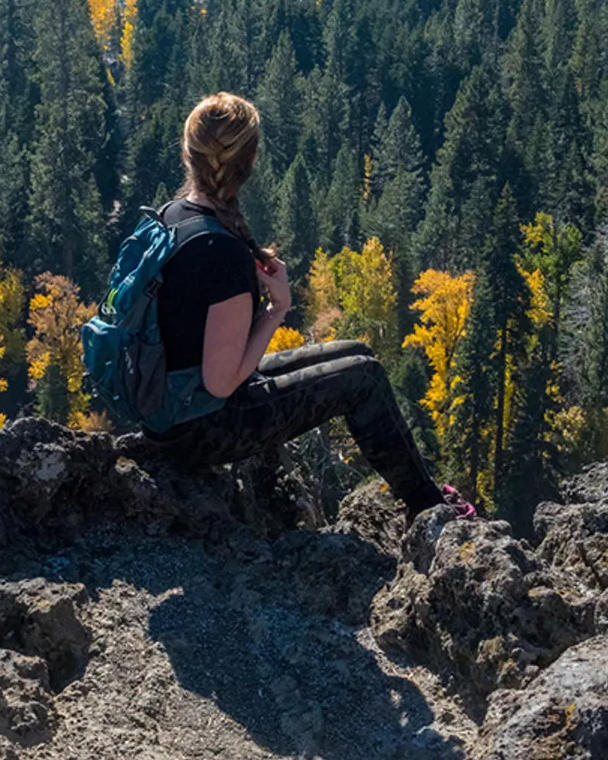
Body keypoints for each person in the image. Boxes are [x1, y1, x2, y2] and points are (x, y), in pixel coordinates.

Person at [144, 91, 474, 523]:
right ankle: (428, 509)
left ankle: (424, 496)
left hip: (173, 406)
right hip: (199, 428)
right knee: (363, 380)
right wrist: (276, 310)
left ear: (188, 154)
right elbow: (222, 383)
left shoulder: (174, 216)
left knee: (359, 356)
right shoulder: (218, 249)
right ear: (251, 161)